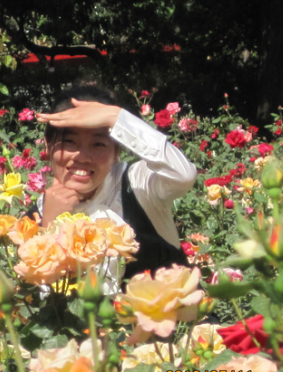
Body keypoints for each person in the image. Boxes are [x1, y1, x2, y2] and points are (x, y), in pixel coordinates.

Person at [35, 85, 197, 285]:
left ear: (116, 152)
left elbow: (183, 175)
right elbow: (39, 296)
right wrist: (49, 226)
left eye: (98, 144)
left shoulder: (137, 185)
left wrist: (115, 117)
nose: (82, 157)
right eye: (69, 141)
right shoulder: (38, 214)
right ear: (48, 145)